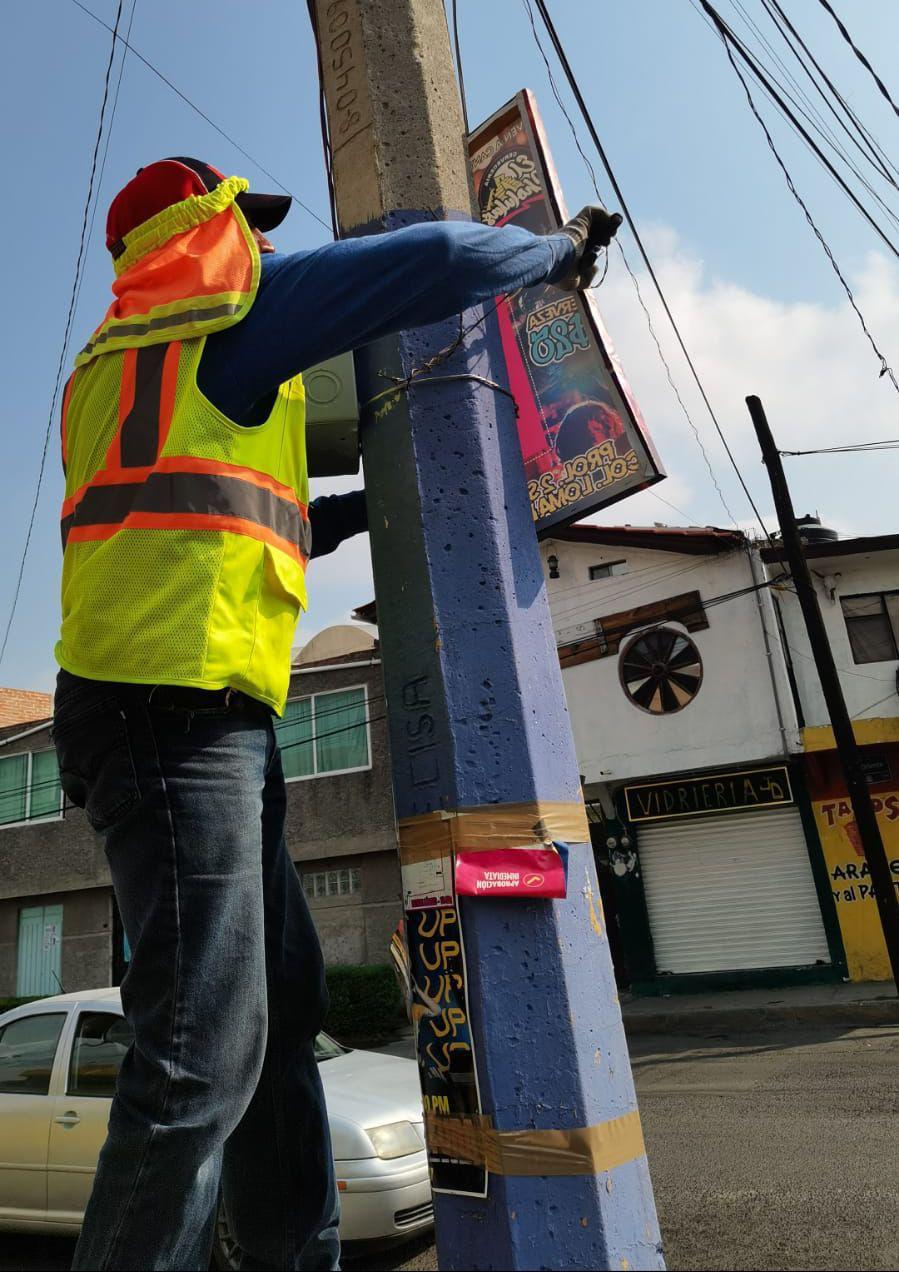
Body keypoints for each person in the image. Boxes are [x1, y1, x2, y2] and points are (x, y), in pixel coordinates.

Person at [51, 156, 618, 1272]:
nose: (262, 248)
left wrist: (360, 507)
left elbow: (216, 520)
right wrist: (555, 255)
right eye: (244, 227)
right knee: (198, 1047)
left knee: (273, 1006)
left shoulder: (124, 364)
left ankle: (289, 1252)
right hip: (173, 717)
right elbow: (441, 259)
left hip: (169, 714)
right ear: (195, 236)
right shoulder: (226, 321)